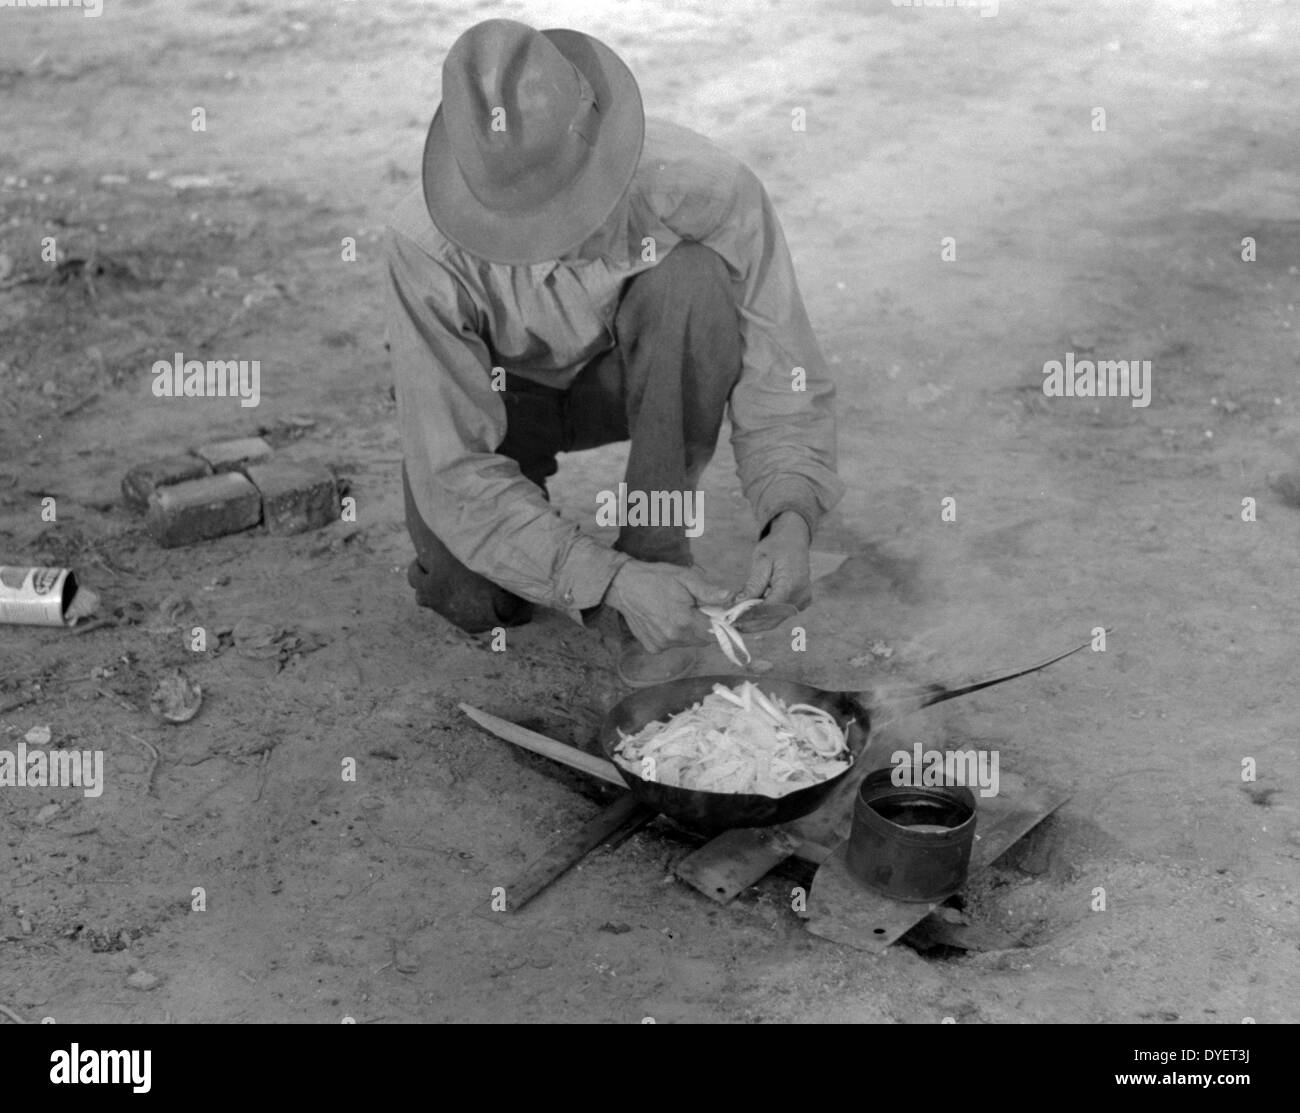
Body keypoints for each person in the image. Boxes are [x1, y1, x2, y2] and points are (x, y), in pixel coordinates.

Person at [385, 18, 842, 685]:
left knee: (692, 278)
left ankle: (657, 542)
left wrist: (791, 516)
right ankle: (610, 570)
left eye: (577, 208)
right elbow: (453, 473)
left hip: (621, 382)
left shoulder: (707, 190)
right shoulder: (423, 251)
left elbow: (784, 373)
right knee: (470, 594)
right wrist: (604, 579)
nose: (562, 239)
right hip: (506, 405)